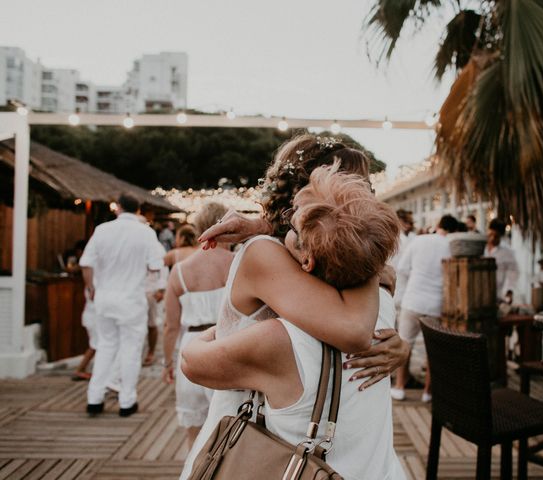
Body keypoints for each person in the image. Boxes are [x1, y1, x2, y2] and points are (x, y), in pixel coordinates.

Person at [181, 134, 409, 479]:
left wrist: (401, 346)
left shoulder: (355, 274)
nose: (365, 199)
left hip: (320, 450)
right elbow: (355, 328)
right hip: (262, 445)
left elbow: (354, 325)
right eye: (354, 187)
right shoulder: (279, 256)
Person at [79, 194, 164, 417]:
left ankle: (94, 399)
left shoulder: (102, 230)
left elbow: (86, 263)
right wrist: (152, 286)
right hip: (131, 299)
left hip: (105, 298)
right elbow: (157, 266)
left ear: (117, 208)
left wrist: (91, 289)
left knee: (106, 347)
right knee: (131, 350)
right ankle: (127, 402)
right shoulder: (145, 233)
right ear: (137, 211)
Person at [162, 202, 234, 449]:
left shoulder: (179, 271)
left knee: (194, 435)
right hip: (228, 347)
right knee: (228, 434)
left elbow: (170, 326)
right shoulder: (237, 262)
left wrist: (168, 363)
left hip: (190, 351)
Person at [390, 214, 458, 402]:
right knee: (432, 349)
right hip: (437, 303)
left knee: (405, 343)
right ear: (454, 231)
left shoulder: (419, 241)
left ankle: (399, 387)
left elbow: (402, 268)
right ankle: (428, 393)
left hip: (413, 300)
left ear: (437, 225)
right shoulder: (452, 247)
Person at [484, 218, 519, 304]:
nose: (492, 238)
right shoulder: (481, 247)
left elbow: (513, 272)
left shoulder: (507, 252)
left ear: (501, 236)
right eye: (490, 234)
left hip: (498, 294)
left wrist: (509, 291)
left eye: (496, 236)